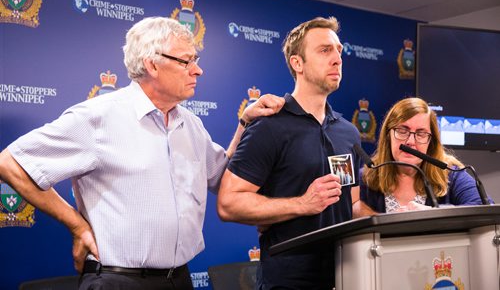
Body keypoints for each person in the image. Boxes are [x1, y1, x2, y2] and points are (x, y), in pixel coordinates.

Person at [0, 17, 284, 290]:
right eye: (187, 61)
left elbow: (224, 179)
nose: (198, 70)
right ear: (152, 65)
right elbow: (10, 163)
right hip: (118, 281)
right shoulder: (99, 116)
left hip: (179, 278)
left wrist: (245, 123)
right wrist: (76, 225)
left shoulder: (191, 124)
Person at [217, 16, 361, 289]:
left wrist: (399, 217)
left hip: (345, 278)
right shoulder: (269, 127)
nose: (337, 59)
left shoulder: (347, 132)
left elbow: (350, 204)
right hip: (288, 282)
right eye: (324, 50)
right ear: (297, 63)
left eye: (339, 51)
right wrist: (302, 204)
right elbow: (228, 203)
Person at [353, 97, 493, 216]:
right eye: (402, 131)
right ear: (388, 136)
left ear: (431, 142)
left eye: (421, 134)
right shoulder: (366, 177)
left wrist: (432, 213)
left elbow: (484, 207)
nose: (410, 142)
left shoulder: (451, 174)